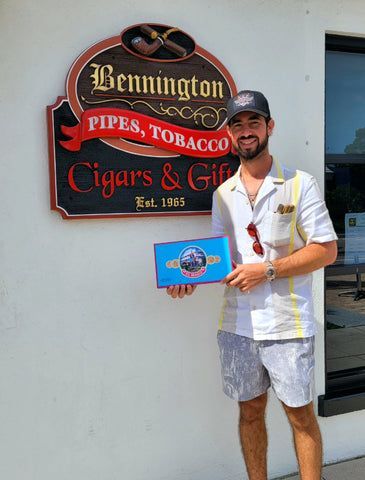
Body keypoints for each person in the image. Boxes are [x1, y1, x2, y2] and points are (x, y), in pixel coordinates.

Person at [166, 90, 338, 480]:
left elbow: (326, 250)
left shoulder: (299, 184)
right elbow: (215, 257)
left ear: (269, 127)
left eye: (253, 122)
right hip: (237, 326)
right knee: (249, 412)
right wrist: (187, 278)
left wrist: (268, 270)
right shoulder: (222, 194)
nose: (246, 131)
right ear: (229, 134)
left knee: (300, 416)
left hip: (288, 325)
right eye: (237, 124)